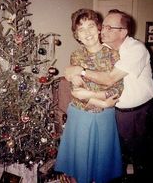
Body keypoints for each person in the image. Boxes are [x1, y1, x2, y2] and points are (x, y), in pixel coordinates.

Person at [65, 9, 153, 183]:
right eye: (104, 26)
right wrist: (71, 72)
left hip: (141, 114)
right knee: (115, 163)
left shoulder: (135, 49)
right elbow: (74, 80)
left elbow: (110, 79)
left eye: (109, 27)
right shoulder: (104, 48)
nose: (103, 30)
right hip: (115, 114)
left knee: (143, 163)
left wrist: (82, 72)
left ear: (123, 32)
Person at [55, 9, 123, 183]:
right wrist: (102, 102)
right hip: (80, 116)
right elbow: (76, 91)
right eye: (81, 29)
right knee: (80, 165)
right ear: (77, 35)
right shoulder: (76, 55)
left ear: (99, 28)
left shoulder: (114, 54)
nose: (87, 33)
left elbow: (118, 89)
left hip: (105, 118)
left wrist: (97, 99)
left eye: (91, 26)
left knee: (102, 165)